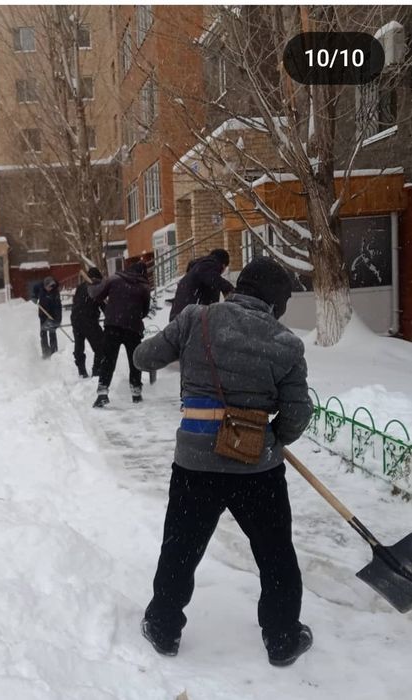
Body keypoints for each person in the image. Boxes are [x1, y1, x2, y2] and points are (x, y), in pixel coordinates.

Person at [133, 257, 314, 667]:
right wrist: (270, 440)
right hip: (257, 470)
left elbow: (144, 358)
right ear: (276, 302)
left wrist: (185, 347)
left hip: (195, 466)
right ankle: (283, 638)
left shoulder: (195, 319)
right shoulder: (286, 343)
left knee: (181, 547)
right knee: (275, 553)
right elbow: (298, 412)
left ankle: (163, 627)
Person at [87, 260, 151, 407]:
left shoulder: (114, 279)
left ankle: (102, 393)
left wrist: (93, 285)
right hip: (133, 328)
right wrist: (132, 314)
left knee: (108, 359)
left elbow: (97, 294)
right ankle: (136, 392)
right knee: (134, 360)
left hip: (113, 326)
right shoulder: (144, 286)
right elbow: (145, 310)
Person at [169, 248, 234, 322]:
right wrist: (228, 288)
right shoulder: (209, 265)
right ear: (223, 265)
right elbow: (212, 278)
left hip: (180, 318)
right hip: (187, 318)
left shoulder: (197, 270)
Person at [71, 267, 106, 378]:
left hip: (76, 319)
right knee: (101, 346)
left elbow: (75, 301)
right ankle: (97, 370)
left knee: (79, 346)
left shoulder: (81, 287)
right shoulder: (97, 287)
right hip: (89, 321)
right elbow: (103, 305)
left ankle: (82, 372)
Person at [34, 276, 62, 359]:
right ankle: (46, 352)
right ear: (44, 286)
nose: (49, 288)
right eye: (48, 287)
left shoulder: (55, 293)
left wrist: (58, 319)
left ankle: (54, 352)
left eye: (51, 287)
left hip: (52, 316)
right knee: (43, 334)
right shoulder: (40, 288)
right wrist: (34, 297)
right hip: (43, 315)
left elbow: (58, 307)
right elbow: (34, 291)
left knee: (52, 333)